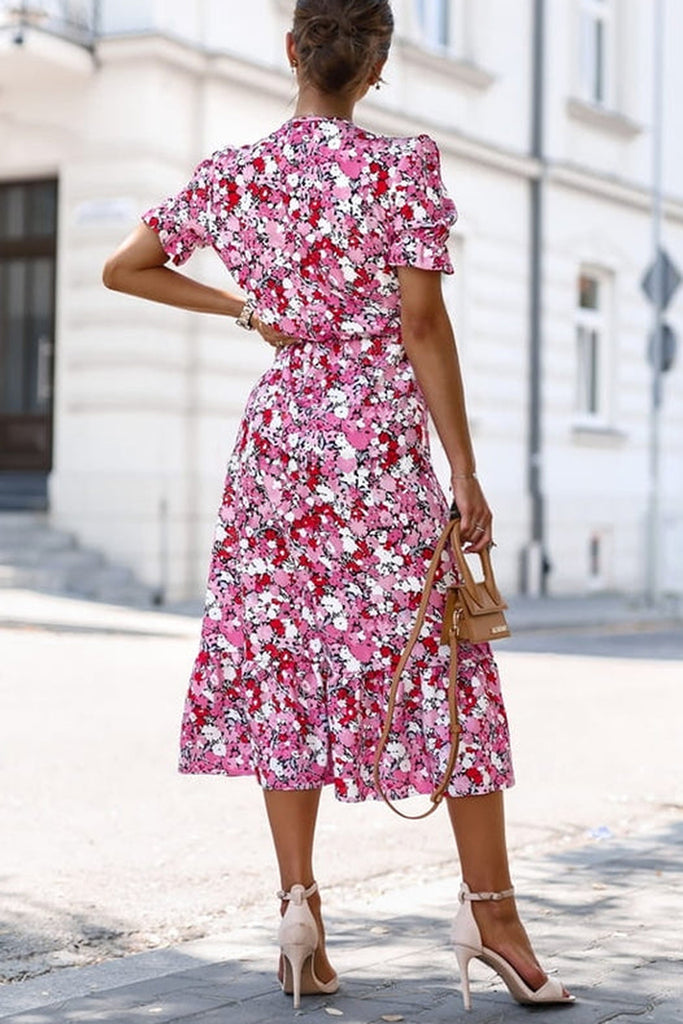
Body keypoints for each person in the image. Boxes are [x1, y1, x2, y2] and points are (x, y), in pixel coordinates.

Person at [103, 0, 573, 1011]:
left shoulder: (234, 171)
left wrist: (244, 305)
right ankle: (490, 912)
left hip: (279, 447)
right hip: (378, 446)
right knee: (444, 664)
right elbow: (419, 317)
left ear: (291, 53)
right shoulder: (399, 168)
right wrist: (466, 469)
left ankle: (298, 911)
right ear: (377, 68)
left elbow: (125, 266)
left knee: (284, 665)